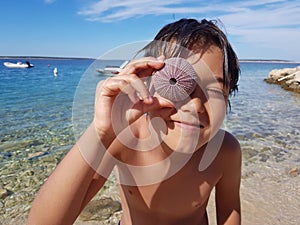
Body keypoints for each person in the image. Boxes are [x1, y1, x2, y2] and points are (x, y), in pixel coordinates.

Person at [27, 18, 241, 225]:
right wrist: (100, 131)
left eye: (214, 90)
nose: (194, 105)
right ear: (147, 85)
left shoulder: (225, 151)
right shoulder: (126, 138)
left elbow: (230, 210)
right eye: (176, 83)